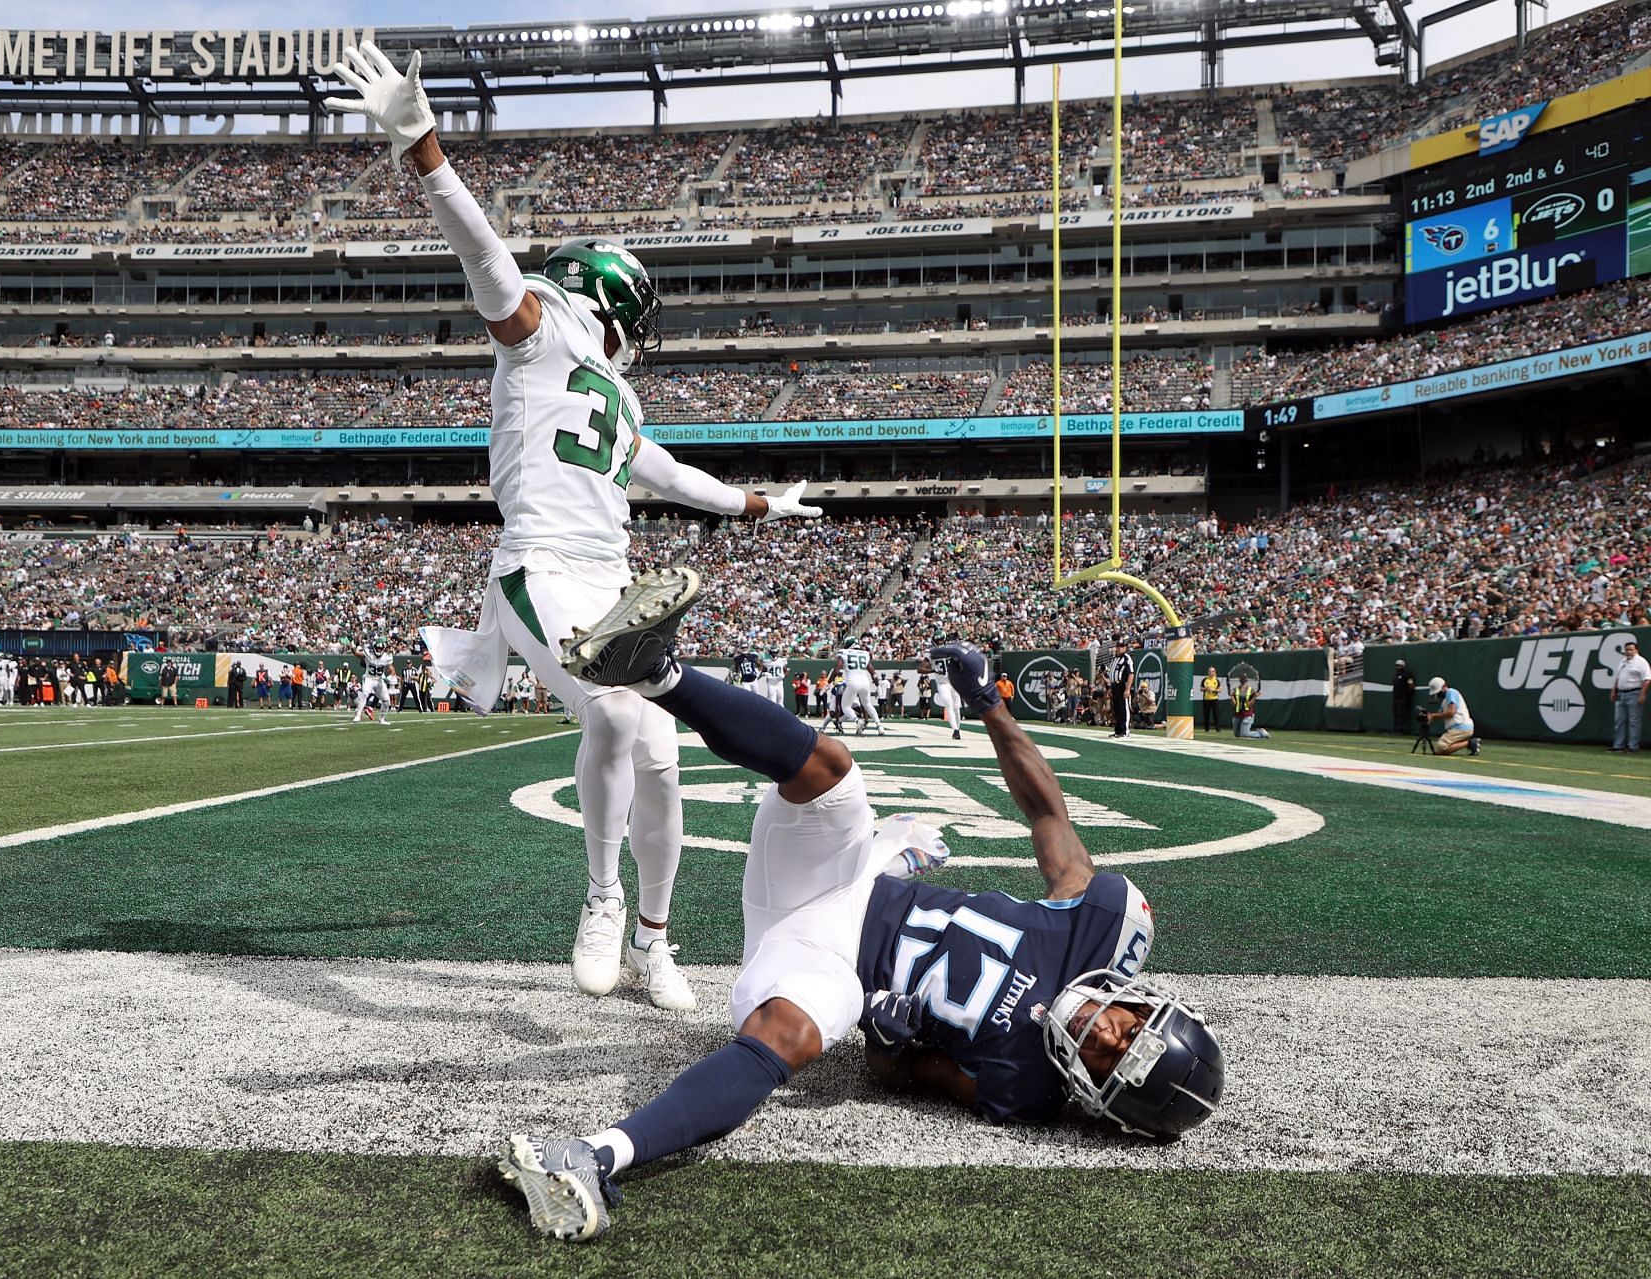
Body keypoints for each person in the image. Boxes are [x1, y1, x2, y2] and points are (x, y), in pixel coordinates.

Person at [327, 34, 821, 1011]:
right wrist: (426, 149)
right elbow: (491, 267)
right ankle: (600, 901)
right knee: (618, 710)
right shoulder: (544, 330)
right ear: (614, 300)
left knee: (667, 757)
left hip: (611, 575)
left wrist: (759, 502)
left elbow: (668, 473)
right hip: (538, 567)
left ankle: (654, 942)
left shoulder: (617, 398)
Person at [503, 573, 1224, 1242]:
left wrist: (889, 1036)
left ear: (1098, 1099)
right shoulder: (1099, 925)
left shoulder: (1025, 1086)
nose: (1104, 1032)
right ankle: (655, 669)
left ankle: (595, 1153)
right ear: (1147, 1001)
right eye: (1129, 1027)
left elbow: (900, 1072)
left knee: (798, 1030)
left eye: (1110, 1059)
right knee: (833, 773)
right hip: (843, 881)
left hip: (827, 965)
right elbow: (1045, 810)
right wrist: (990, 704)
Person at [1424, 676, 1480, 756]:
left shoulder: (1451, 692)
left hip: (1460, 727)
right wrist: (1429, 717)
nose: (1438, 695)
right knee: (1440, 748)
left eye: (1439, 692)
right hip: (1458, 728)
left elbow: (1451, 712)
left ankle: (1470, 743)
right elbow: (1441, 714)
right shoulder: (1445, 701)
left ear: (1444, 686)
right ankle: (1469, 743)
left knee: (1440, 748)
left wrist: (1432, 715)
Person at [1612, 639, 1648, 753]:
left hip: (1634, 692)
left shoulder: (1641, 662)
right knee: (1620, 721)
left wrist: (1642, 694)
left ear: (1636, 650)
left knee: (1634, 721)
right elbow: (1618, 677)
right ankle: (1618, 745)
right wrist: (1614, 690)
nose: (1628, 652)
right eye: (1627, 650)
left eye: (1631, 650)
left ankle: (1633, 746)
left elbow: (1647, 679)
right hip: (1621, 693)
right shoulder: (1623, 661)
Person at [1107, 640, 1135, 738]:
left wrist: (1127, 689)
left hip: (1122, 685)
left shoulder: (1127, 658)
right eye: (1118, 646)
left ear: (1125, 648)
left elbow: (1131, 673)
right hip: (1114, 686)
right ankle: (1118, 730)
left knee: (1124, 708)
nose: (1119, 648)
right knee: (1117, 708)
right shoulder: (1115, 659)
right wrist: (1110, 687)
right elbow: (1112, 674)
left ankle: (1125, 730)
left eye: (1121, 647)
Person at [1391, 659, 1417, 735]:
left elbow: (1411, 685)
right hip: (1396, 697)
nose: (1397, 667)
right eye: (1396, 665)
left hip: (1403, 698)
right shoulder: (1396, 675)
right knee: (1396, 713)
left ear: (1403, 666)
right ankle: (1396, 729)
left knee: (1402, 714)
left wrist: (1408, 694)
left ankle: (1402, 730)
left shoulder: (1407, 674)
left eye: (1399, 665)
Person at [1199, 666, 1223, 733]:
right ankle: (1206, 728)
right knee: (1206, 714)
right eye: (1210, 671)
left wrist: (1214, 689)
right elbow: (1201, 688)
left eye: (1212, 671)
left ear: (1215, 673)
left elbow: (1220, 689)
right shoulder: (1205, 680)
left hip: (1214, 699)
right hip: (1206, 699)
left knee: (1216, 714)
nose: (1211, 673)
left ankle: (1218, 729)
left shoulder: (1216, 680)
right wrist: (1206, 688)